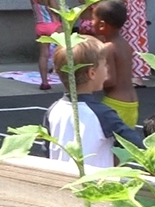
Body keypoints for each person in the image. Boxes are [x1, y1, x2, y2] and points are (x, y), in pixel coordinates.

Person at [46, 39, 116, 168]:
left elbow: (47, 147)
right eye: (105, 65)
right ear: (92, 73)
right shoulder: (103, 114)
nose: (107, 69)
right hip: (96, 184)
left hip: (59, 181)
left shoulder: (53, 110)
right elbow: (132, 145)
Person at [86, 0, 140, 127]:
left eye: (93, 19)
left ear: (102, 25)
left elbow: (110, 80)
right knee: (123, 143)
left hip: (115, 104)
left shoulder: (108, 47)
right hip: (132, 104)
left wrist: (89, 81)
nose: (91, 22)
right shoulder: (124, 44)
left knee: (107, 143)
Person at [30, 0, 63, 91]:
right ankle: (67, 78)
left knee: (43, 55)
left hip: (40, 25)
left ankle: (44, 82)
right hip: (52, 25)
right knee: (66, 51)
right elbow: (55, 9)